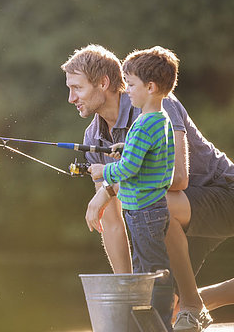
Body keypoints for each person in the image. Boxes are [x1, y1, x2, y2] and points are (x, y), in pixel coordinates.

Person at [61, 44, 234, 332]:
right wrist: (130, 296)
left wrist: (108, 187)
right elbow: (112, 222)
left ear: (103, 83)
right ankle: (193, 304)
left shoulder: (158, 104)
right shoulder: (93, 135)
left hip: (223, 195)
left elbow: (178, 179)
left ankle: (192, 305)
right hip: (175, 217)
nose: (71, 98)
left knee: (153, 203)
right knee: (162, 305)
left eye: (76, 88)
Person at [84, 46, 177, 330]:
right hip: (153, 208)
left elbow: (127, 169)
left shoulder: (142, 123)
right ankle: (150, 320)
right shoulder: (160, 120)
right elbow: (151, 156)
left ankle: (160, 322)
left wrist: (103, 171)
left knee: (152, 272)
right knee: (147, 267)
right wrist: (126, 148)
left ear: (150, 87)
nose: (128, 90)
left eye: (132, 85)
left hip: (143, 212)